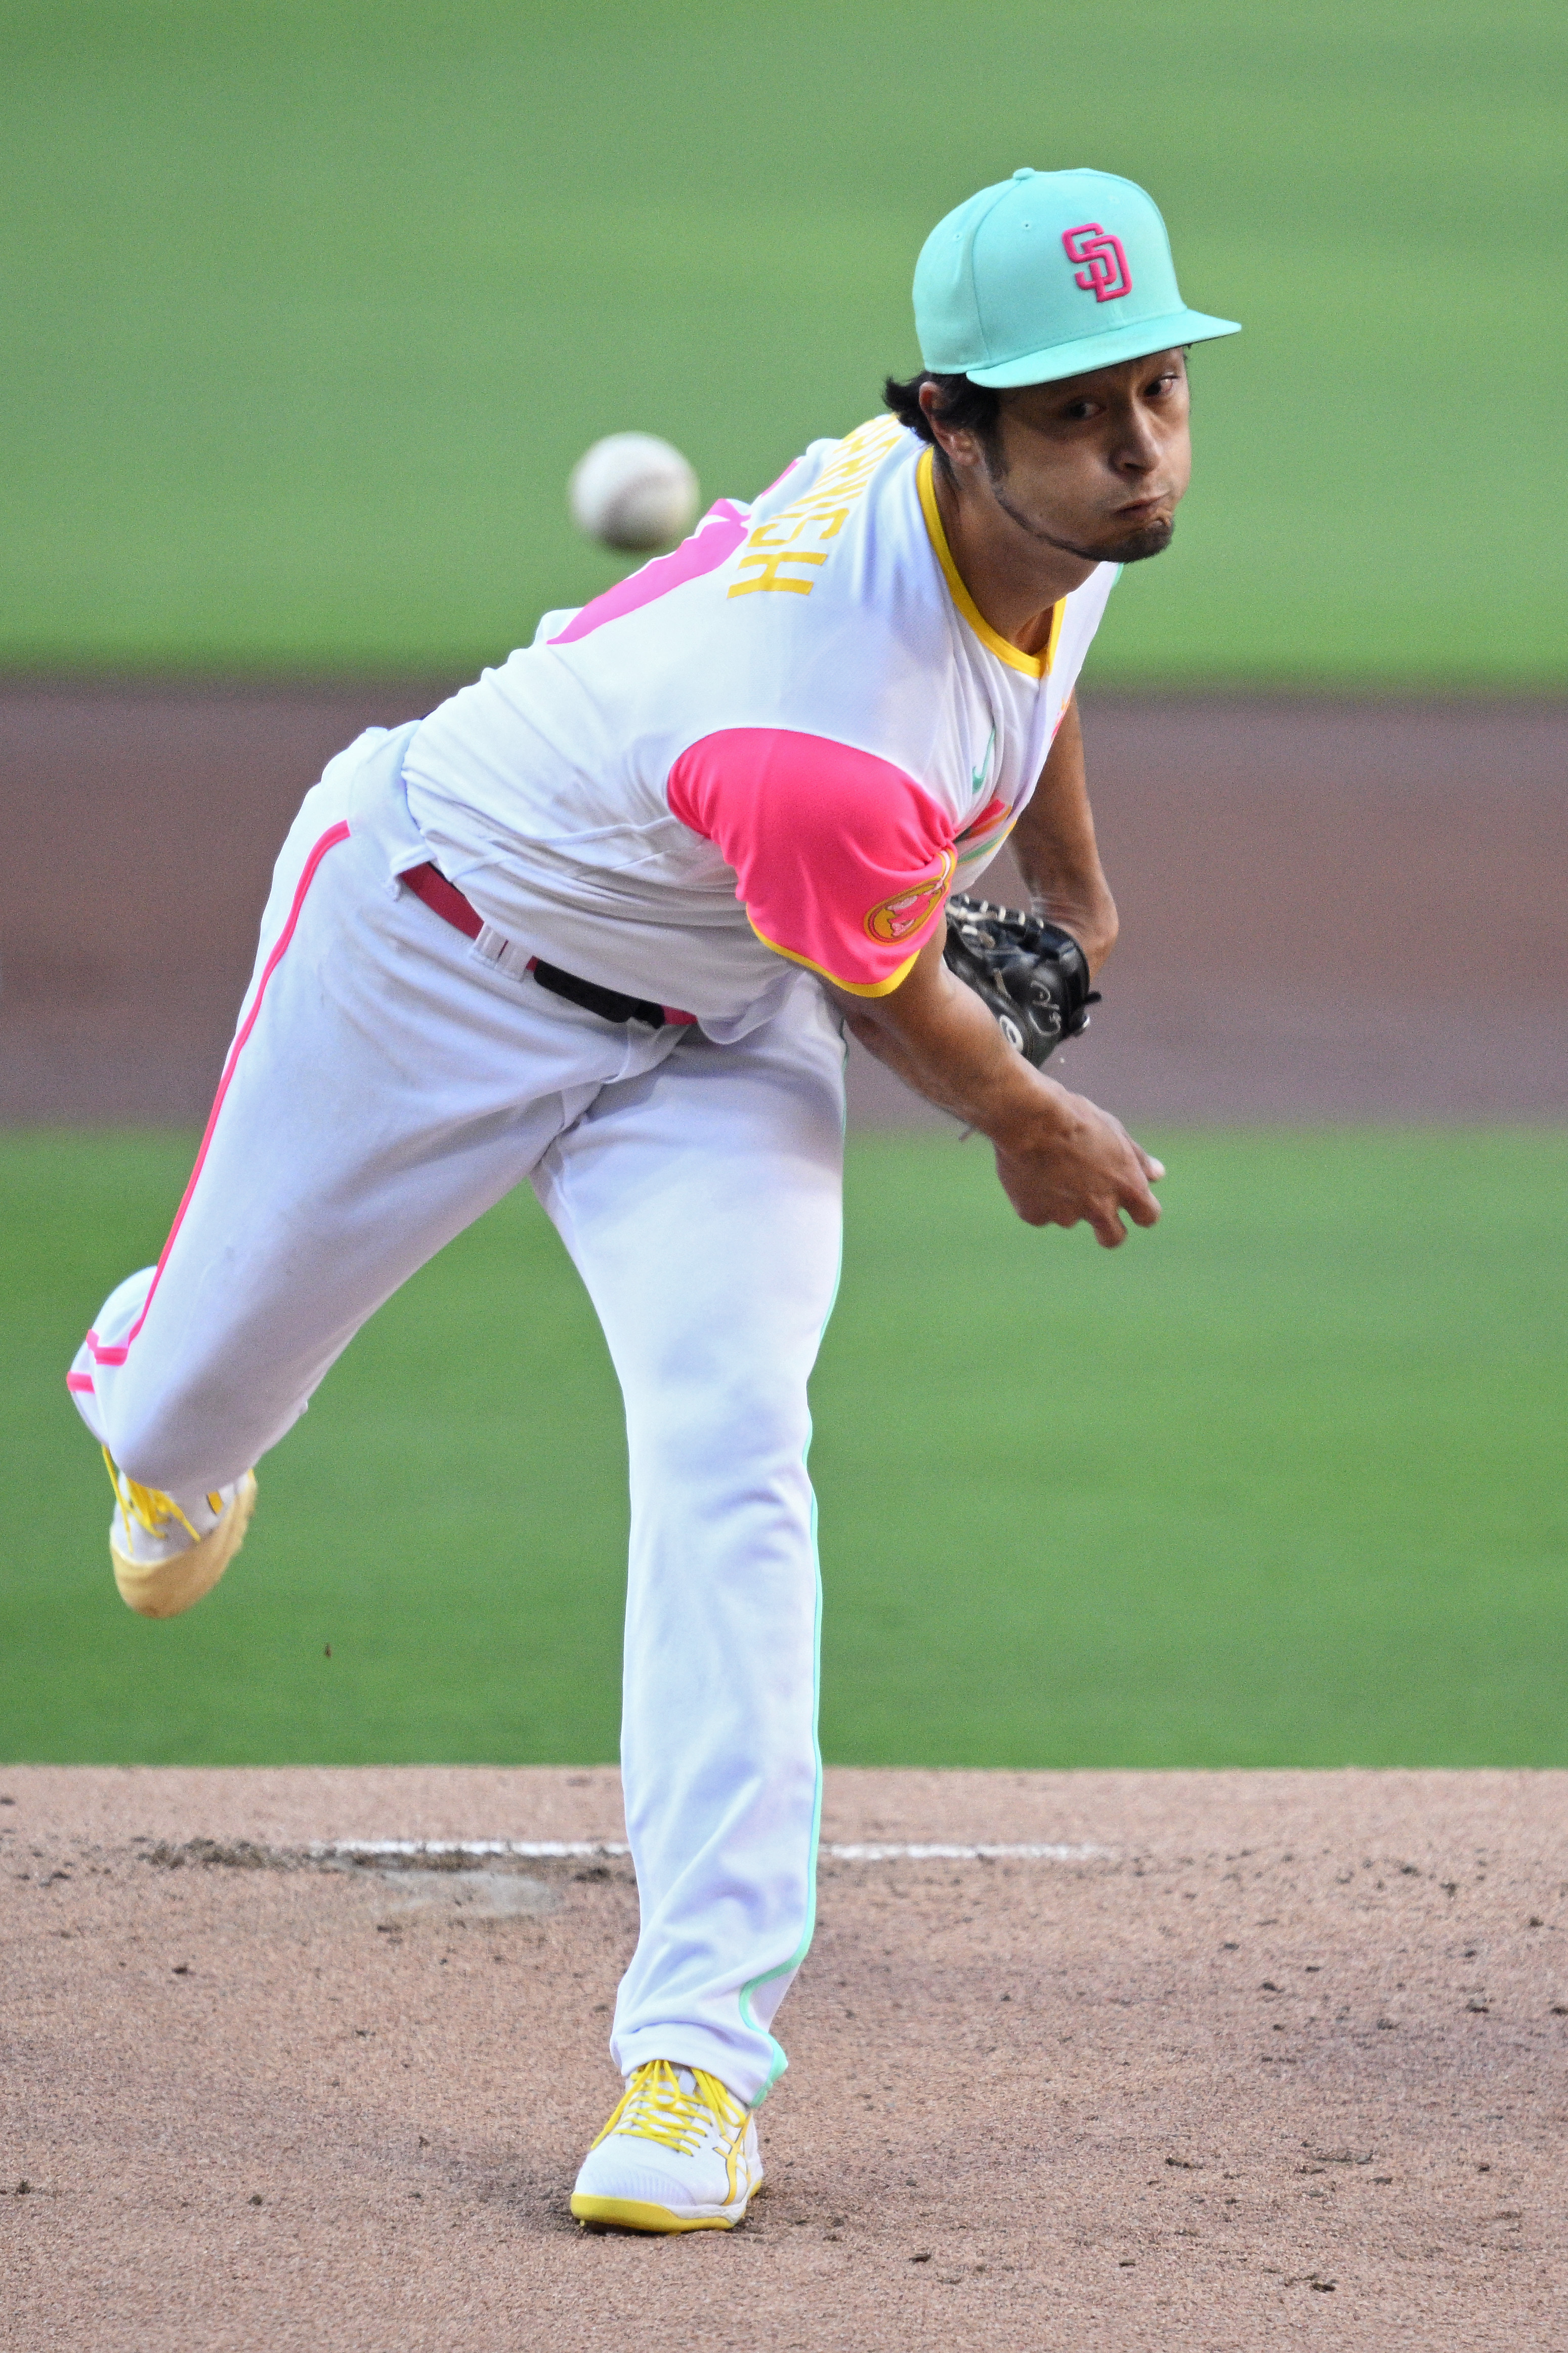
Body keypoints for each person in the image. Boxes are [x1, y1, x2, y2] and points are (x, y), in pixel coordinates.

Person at [66, 167, 1237, 2233]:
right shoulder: (821, 721)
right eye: (1081, 412)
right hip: (421, 947)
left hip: (708, 1032)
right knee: (174, 1437)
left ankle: (697, 2058)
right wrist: (1041, 1131)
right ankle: (164, 1371)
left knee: (732, 1447)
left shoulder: (1059, 511)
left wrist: (1071, 881)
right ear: (952, 429)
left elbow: (1042, 672)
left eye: (1157, 389)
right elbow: (897, 1004)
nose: (1137, 446)